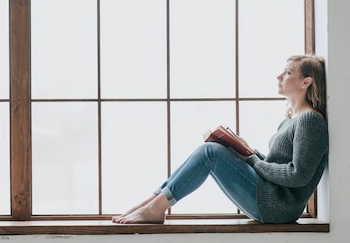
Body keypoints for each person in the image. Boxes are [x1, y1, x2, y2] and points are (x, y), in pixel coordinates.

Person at [112, 54, 329, 224]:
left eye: (288, 72)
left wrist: (252, 160)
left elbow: (297, 175)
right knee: (209, 148)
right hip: (269, 197)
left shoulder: (311, 121)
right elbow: (276, 165)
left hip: (277, 206)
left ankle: (156, 207)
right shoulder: (290, 120)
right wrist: (249, 151)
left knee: (210, 153)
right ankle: (154, 202)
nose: (279, 76)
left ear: (306, 82)